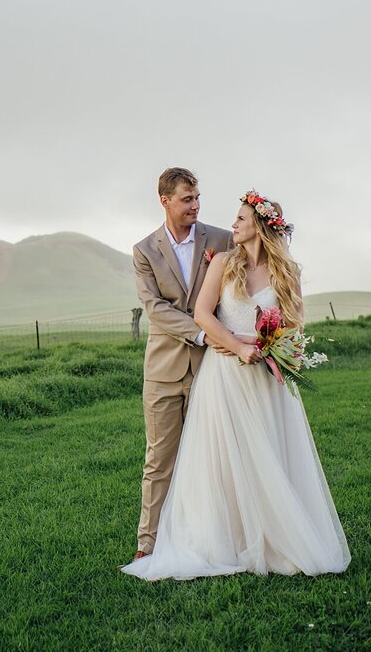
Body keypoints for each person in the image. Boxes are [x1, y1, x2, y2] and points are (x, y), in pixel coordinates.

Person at [122, 190, 350, 580]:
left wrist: (272, 349)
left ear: (259, 225)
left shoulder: (287, 272)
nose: (234, 224)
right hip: (225, 373)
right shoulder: (225, 262)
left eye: (242, 218)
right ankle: (220, 538)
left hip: (265, 377)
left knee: (269, 454)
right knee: (222, 461)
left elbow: (294, 325)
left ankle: (271, 536)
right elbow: (203, 315)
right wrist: (238, 347)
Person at [129, 168, 234, 561]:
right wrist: (204, 333)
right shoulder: (144, 251)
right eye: (187, 199)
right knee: (159, 459)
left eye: (197, 198)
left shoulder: (222, 240)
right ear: (165, 201)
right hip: (164, 371)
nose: (195, 205)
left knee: (210, 457)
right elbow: (155, 309)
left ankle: (207, 538)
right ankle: (148, 544)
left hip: (214, 369)